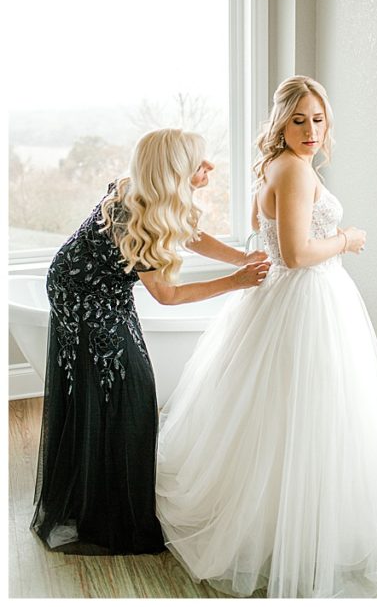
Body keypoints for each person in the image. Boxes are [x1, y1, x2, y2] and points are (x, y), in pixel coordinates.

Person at [155, 76, 377, 598]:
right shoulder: (294, 171)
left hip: (293, 298)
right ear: (281, 123)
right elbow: (297, 254)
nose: (310, 129)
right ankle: (289, 535)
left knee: (291, 415)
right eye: (298, 119)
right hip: (304, 298)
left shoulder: (287, 167)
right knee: (306, 414)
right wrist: (347, 239)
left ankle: (292, 523)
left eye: (318, 118)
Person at [32, 128, 270, 555]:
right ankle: (104, 511)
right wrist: (237, 281)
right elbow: (168, 295)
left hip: (106, 290)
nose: (210, 167)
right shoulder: (135, 214)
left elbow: (189, 233)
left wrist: (240, 257)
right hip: (80, 295)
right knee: (128, 391)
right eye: (201, 162)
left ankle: (102, 490)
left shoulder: (154, 199)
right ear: (176, 171)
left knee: (123, 389)